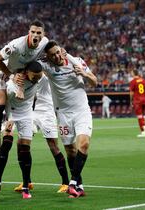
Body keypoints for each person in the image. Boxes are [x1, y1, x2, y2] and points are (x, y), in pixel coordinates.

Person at [38, 40, 98, 198]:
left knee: (83, 144)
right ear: (48, 57)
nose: (57, 56)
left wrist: (84, 74)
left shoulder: (76, 61)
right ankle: (79, 186)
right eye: (52, 55)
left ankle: (72, 183)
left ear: (62, 50)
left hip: (81, 111)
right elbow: (30, 62)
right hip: (63, 114)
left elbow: (95, 82)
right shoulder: (47, 66)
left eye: (58, 52)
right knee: (70, 151)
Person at [0, 20, 49, 158]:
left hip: (23, 75)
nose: (35, 35)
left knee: (33, 92)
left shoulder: (45, 42)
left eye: (38, 33)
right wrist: (10, 75)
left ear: (43, 34)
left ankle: (31, 119)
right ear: (28, 33)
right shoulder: (16, 45)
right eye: (33, 32)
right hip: (6, 73)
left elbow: (53, 49)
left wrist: (62, 52)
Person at [0, 61, 43, 199]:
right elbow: (6, 100)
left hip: (26, 115)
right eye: (35, 76)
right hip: (11, 113)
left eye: (39, 76)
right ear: (26, 73)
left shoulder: (37, 78)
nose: (37, 79)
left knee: (25, 150)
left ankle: (26, 186)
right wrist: (9, 119)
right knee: (6, 144)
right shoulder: (13, 82)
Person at [13, 74, 70, 193]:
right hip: (31, 112)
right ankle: (27, 182)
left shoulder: (42, 74)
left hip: (47, 112)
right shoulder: (26, 74)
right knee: (21, 143)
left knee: (53, 146)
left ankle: (65, 183)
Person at [129, 70, 145, 137]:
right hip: (144, 100)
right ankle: (144, 127)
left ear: (134, 73)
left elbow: (131, 93)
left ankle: (143, 132)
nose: (131, 74)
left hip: (137, 101)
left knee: (139, 116)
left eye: (131, 73)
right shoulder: (143, 80)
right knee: (141, 115)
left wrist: (130, 101)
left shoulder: (133, 81)